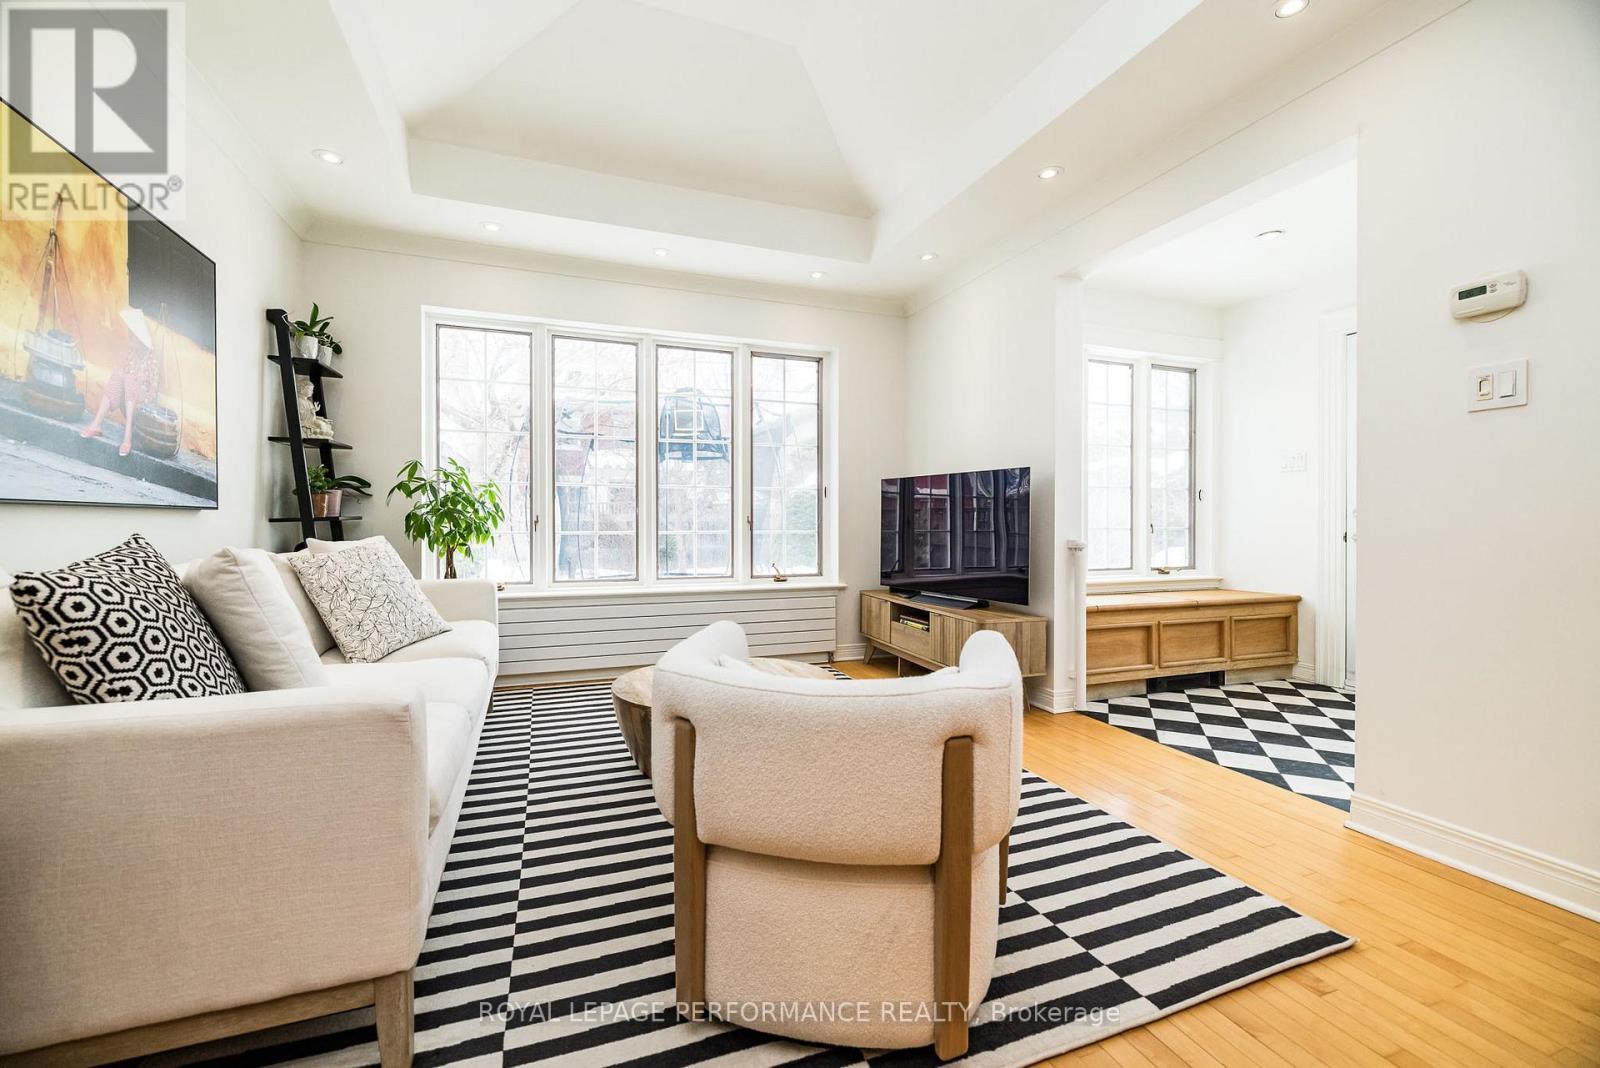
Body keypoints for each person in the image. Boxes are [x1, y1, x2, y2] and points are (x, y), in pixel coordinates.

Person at [80, 307, 158, 457]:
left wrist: (137, 390)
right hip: (126, 402)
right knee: (118, 374)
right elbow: (123, 380)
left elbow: (152, 395)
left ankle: (127, 436)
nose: (129, 339)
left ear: (140, 340)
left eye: (132, 336)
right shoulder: (131, 354)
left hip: (141, 409)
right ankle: (96, 424)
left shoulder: (152, 360)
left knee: (128, 379)